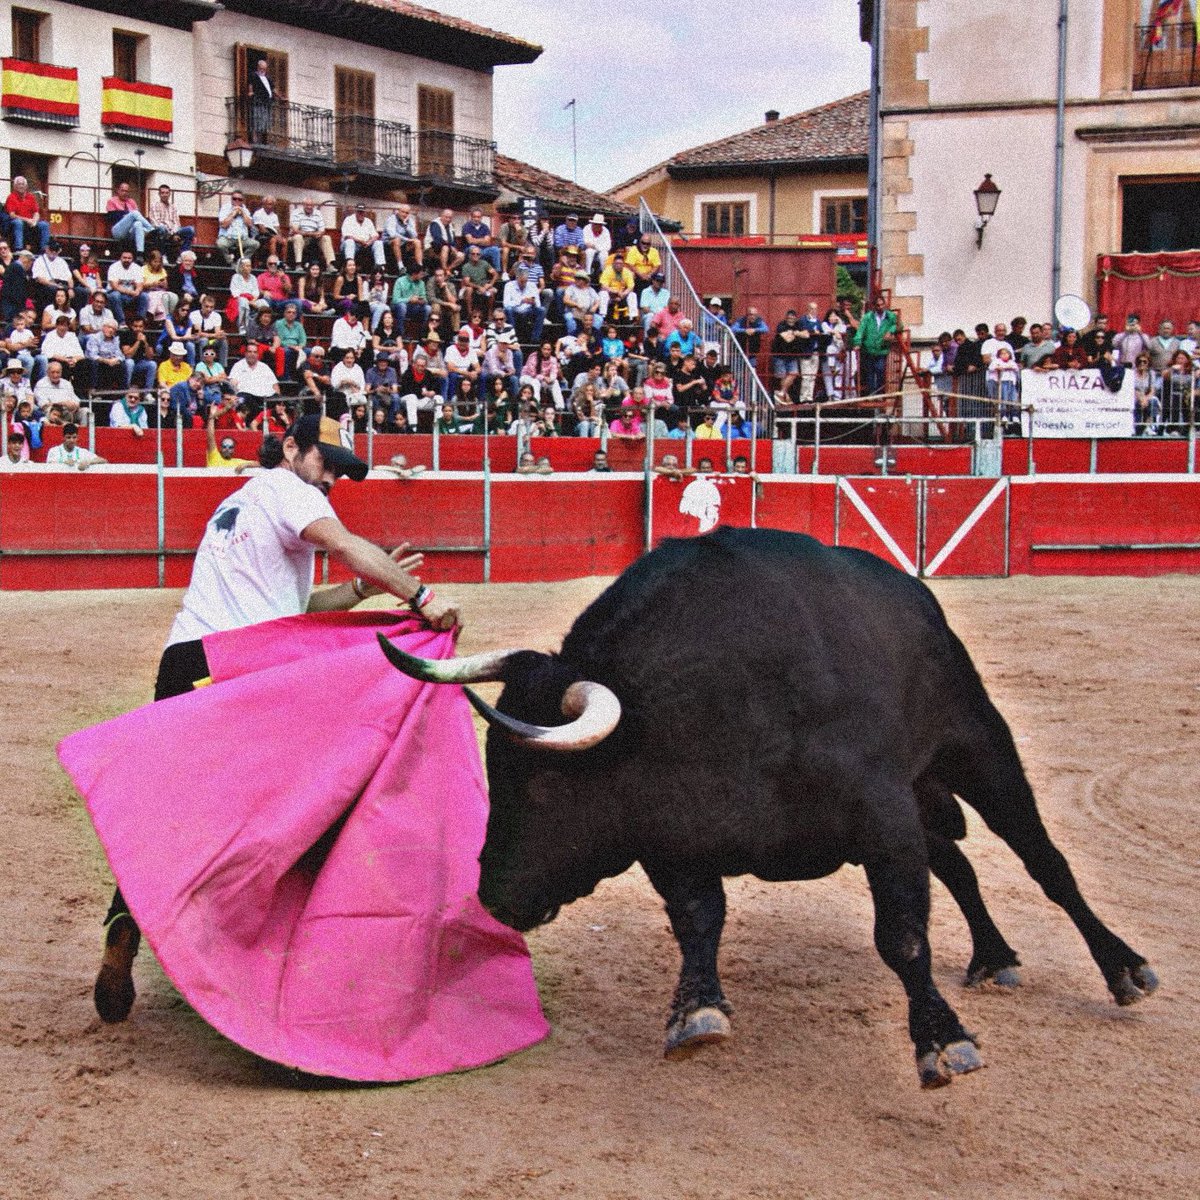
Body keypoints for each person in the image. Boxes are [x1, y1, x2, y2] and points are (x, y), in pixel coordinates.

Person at [853, 294, 898, 396]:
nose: (880, 307)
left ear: (885, 304)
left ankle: (879, 393)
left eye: (882, 305)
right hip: (868, 349)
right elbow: (861, 330)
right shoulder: (868, 317)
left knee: (880, 370)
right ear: (874, 306)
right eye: (878, 305)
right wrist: (857, 342)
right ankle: (872, 394)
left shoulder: (890, 316)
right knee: (870, 373)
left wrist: (890, 331)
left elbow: (898, 325)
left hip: (882, 349)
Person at [105, 182, 157, 257]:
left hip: (130, 231)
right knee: (134, 213)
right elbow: (113, 217)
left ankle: (140, 253)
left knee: (138, 223)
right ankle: (151, 229)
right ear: (118, 191)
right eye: (122, 190)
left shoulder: (131, 202)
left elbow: (137, 218)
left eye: (127, 191)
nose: (125, 193)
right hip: (118, 230)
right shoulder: (112, 201)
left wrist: (127, 215)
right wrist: (128, 215)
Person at [148, 184, 196, 260]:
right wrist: (171, 234)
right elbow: (156, 223)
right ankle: (163, 256)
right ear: (159, 194)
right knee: (162, 228)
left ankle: (183, 255)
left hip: (173, 232)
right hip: (161, 232)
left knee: (190, 230)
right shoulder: (154, 205)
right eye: (162, 193)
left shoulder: (173, 206)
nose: (165, 195)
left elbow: (177, 222)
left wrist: (174, 233)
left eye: (167, 193)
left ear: (169, 194)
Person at [5, 177, 49, 254]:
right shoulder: (11, 197)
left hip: (30, 222)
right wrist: (27, 220)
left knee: (44, 225)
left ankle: (44, 250)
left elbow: (36, 212)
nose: (21, 186)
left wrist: (35, 220)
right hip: (16, 223)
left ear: (26, 186)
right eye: (19, 184)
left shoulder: (31, 197)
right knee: (18, 223)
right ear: (14, 186)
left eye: (23, 184)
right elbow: (12, 215)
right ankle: (19, 249)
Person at [216, 190, 259, 264]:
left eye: (239, 199)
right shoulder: (225, 208)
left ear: (243, 201)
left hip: (242, 239)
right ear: (231, 199)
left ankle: (242, 262)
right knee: (220, 244)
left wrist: (243, 214)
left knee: (255, 244)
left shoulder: (245, 210)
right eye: (234, 198)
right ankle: (229, 260)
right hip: (227, 237)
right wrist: (233, 214)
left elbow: (250, 224)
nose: (237, 201)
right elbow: (224, 225)